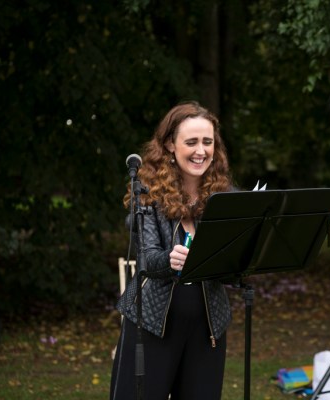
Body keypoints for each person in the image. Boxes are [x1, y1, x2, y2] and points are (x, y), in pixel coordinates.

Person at [110, 101, 234, 400]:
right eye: (191, 142)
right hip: (153, 324)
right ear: (169, 145)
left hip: (208, 328)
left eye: (208, 142)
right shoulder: (147, 195)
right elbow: (148, 258)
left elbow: (232, 262)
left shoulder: (225, 196)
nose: (201, 151)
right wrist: (170, 259)